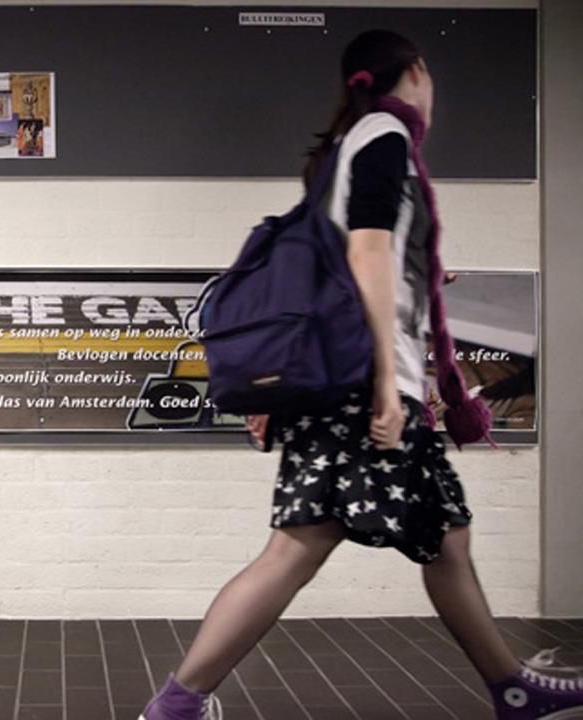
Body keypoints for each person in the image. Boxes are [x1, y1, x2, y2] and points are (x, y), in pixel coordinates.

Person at [139, 29, 583, 720]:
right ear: (416, 71)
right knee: (308, 547)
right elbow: (369, 253)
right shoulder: (383, 135)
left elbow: (343, 274)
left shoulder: (344, 154)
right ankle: (177, 703)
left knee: (418, 541)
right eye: (429, 77)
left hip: (351, 384)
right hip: (365, 387)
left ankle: (513, 690)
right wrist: (385, 378)